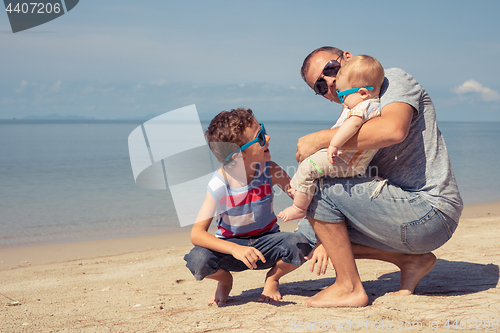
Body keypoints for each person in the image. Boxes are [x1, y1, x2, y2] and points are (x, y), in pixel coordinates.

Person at [295, 46, 463, 307]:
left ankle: (348, 287)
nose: (329, 81)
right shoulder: (353, 114)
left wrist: (319, 140)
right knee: (308, 233)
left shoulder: (390, 80)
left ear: (347, 58)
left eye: (330, 69)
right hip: (396, 214)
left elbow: (393, 129)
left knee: (323, 189)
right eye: (319, 85)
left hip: (429, 210)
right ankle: (410, 260)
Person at [184, 108, 311, 306]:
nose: (268, 137)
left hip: (267, 244)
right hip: (231, 249)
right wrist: (234, 249)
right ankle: (225, 281)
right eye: (260, 136)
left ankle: (273, 278)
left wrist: (309, 170)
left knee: (300, 244)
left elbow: (300, 197)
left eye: (263, 129)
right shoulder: (219, 184)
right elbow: (197, 234)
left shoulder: (270, 170)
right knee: (198, 260)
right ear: (238, 156)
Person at [278, 55, 384, 222]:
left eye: (344, 95)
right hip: (352, 163)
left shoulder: (363, 106)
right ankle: (301, 188)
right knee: (311, 165)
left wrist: (333, 144)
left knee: (309, 166)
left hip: (349, 162)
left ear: (363, 92)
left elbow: (353, 125)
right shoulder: (373, 105)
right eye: (320, 86)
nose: (343, 100)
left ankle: (298, 207)